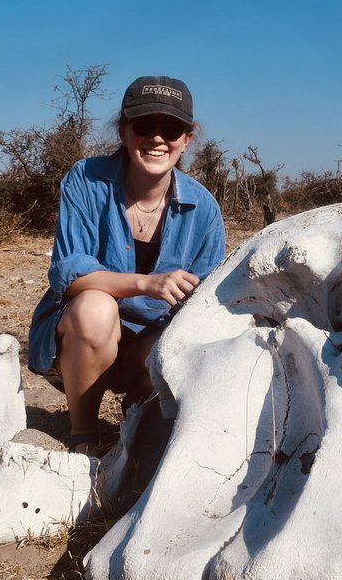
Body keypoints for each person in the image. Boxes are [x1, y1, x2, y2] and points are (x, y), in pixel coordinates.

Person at [27, 76, 226, 454]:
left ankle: (138, 415)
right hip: (81, 337)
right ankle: (83, 434)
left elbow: (207, 305)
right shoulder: (85, 179)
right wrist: (146, 284)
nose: (157, 139)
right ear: (123, 131)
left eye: (170, 129)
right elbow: (68, 275)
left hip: (148, 345)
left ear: (186, 140)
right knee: (95, 307)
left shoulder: (205, 209)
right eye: (144, 126)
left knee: (184, 342)